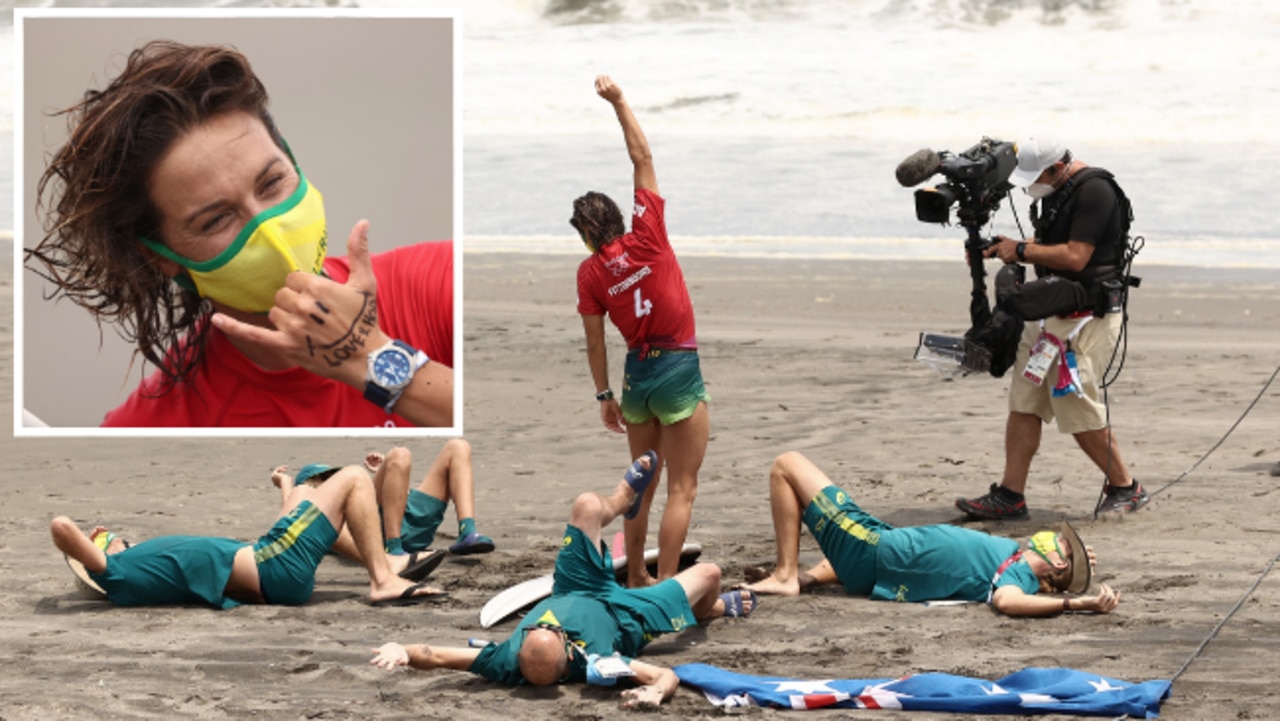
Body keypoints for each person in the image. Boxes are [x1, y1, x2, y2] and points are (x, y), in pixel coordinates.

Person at [25, 40, 453, 428]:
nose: (266, 226)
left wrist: (368, 358)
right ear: (162, 256)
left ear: (291, 160)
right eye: (216, 220)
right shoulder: (153, 426)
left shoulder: (439, 282)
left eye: (271, 183)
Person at [369, 453, 755, 709]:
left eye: (539, 626)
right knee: (710, 574)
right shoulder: (600, 663)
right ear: (568, 652)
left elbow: (437, 657)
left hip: (573, 585)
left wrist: (401, 649)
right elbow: (664, 675)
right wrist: (654, 692)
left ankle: (623, 499)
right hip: (625, 612)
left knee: (587, 504)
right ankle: (714, 609)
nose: (543, 623)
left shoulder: (505, 659)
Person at [956, 135, 1146, 519]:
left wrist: (1022, 251)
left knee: (1075, 406)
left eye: (1036, 177)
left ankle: (1126, 487)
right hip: (1048, 312)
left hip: (1086, 318)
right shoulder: (1057, 191)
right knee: (1024, 402)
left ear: (1058, 167)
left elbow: (1076, 256)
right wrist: (1002, 246)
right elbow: (1050, 243)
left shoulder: (1096, 191)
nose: (1030, 187)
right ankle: (1011, 495)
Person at [573, 75, 710, 587]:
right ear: (618, 217)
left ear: (588, 235)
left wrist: (604, 394)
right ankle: (668, 581)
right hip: (678, 366)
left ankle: (634, 575)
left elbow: (593, 341)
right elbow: (642, 158)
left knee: (641, 487)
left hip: (637, 377)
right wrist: (619, 101)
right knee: (683, 488)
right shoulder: (648, 235)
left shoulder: (590, 273)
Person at [739, 452, 1122, 617]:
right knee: (800, 489)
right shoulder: (1014, 557)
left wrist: (1078, 604)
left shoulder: (1018, 575)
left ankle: (786, 574)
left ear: (1056, 562)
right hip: (877, 552)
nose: (1060, 537)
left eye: (1065, 546)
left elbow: (1006, 602)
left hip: (872, 548)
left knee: (786, 465)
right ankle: (801, 577)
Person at [51, 465, 447, 608]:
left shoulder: (136, 572)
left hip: (270, 564)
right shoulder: (117, 573)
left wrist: (285, 487)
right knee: (355, 478)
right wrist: (92, 546)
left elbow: (282, 528)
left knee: (307, 488)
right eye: (108, 541)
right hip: (273, 565)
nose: (115, 537)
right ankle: (383, 577)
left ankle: (385, 562)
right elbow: (60, 527)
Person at [278, 438, 494, 563]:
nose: (330, 482)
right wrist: (286, 484)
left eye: (331, 476)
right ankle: (394, 547)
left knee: (458, 446)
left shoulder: (351, 487)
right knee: (399, 454)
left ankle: (468, 530)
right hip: (377, 531)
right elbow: (290, 517)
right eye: (321, 481)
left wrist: (387, 472)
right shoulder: (318, 514)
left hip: (403, 515)